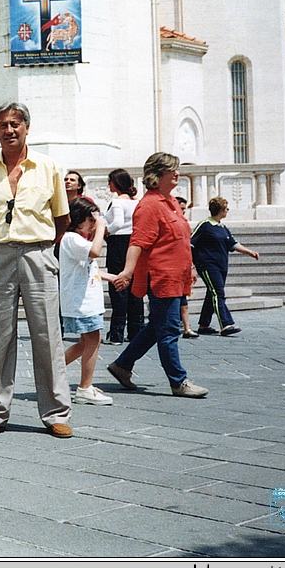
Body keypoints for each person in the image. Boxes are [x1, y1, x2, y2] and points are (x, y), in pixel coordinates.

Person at [0, 102, 73, 439]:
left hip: (38, 254)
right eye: (3, 125)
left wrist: (34, 243)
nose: (9, 130)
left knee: (46, 335)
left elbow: (62, 218)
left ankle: (56, 412)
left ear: (27, 127)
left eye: (15, 124)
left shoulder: (49, 167)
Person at [107, 152, 208, 398]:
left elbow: (180, 239)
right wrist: (128, 272)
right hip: (161, 277)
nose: (177, 173)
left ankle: (121, 365)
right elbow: (138, 242)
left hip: (177, 275)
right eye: (171, 169)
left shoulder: (170, 201)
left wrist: (190, 268)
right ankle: (178, 381)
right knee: (170, 329)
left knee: (156, 327)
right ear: (156, 175)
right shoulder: (150, 205)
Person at [60, 199, 120, 405]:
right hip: (82, 302)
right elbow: (94, 253)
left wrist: (111, 277)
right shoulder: (71, 239)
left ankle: (53, 372)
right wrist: (102, 227)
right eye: (90, 219)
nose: (94, 223)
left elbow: (89, 267)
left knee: (85, 343)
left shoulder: (76, 240)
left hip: (85, 301)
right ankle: (85, 387)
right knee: (93, 341)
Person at [191, 197, 260, 336]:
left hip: (221, 265)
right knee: (218, 293)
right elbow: (191, 243)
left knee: (212, 294)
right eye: (226, 209)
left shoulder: (223, 228)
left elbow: (233, 244)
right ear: (221, 210)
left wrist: (249, 252)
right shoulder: (205, 225)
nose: (227, 211)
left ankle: (204, 325)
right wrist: (191, 265)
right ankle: (226, 323)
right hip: (207, 265)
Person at [105, 168, 144, 345]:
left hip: (118, 244)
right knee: (135, 288)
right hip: (134, 242)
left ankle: (116, 333)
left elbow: (118, 222)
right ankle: (136, 330)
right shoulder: (137, 202)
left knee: (118, 285)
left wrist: (106, 231)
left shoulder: (117, 202)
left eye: (110, 181)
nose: (108, 184)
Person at [175, 196, 197, 338]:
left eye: (184, 209)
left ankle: (187, 327)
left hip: (183, 266)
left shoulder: (184, 224)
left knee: (184, 298)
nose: (183, 211)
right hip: (171, 267)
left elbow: (187, 248)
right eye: (180, 208)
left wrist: (192, 267)